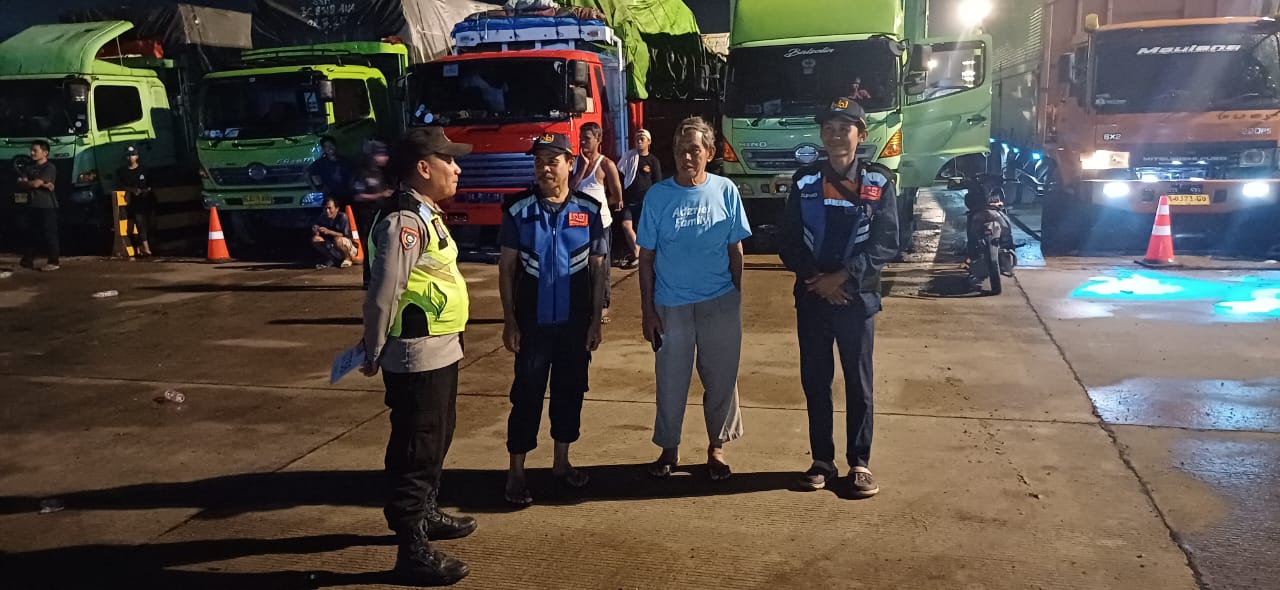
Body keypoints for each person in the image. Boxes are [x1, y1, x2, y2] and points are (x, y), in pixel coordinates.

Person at [360, 126, 475, 586]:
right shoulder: (404, 221)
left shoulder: (426, 213)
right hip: (417, 354)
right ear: (424, 168)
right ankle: (411, 549)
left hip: (439, 349)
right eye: (450, 160)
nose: (458, 168)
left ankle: (425, 512)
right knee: (416, 448)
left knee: (437, 436)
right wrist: (372, 347)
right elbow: (383, 291)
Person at [778, 97, 899, 498]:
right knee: (816, 380)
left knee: (858, 383)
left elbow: (887, 242)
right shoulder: (805, 181)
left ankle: (859, 463)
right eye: (828, 128)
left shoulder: (879, 182)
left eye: (844, 128)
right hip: (813, 295)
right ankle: (822, 461)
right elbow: (788, 240)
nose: (835, 136)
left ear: (860, 135)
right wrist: (817, 279)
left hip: (856, 298)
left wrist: (843, 277)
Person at [637, 116, 752, 481]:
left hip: (720, 302)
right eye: (679, 150)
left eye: (693, 150)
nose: (685, 157)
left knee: (721, 378)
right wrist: (648, 310)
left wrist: (734, 296)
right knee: (671, 380)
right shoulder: (658, 196)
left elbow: (736, 250)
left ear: (709, 152)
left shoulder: (725, 190)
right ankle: (669, 447)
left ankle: (717, 447)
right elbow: (646, 258)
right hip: (671, 305)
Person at [498, 132, 609, 507]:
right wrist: (510, 321)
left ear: (570, 164)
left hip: (574, 327)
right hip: (533, 327)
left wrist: (595, 320)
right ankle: (516, 473)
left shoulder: (589, 211)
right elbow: (506, 268)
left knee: (570, 392)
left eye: (552, 161)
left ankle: (561, 463)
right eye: (538, 161)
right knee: (526, 396)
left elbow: (598, 268)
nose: (544, 168)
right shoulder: (518, 211)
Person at [570, 123, 623, 322]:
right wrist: (582, 169)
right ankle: (583, 304)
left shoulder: (606, 164)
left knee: (601, 266)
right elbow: (568, 190)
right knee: (579, 266)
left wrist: (598, 207)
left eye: (587, 138)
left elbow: (617, 196)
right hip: (576, 225)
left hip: (600, 225)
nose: (582, 142)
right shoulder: (574, 163)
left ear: (598, 139)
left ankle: (602, 305)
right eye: (581, 138)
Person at [617, 129, 662, 269]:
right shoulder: (628, 157)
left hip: (645, 202)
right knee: (626, 225)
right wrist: (619, 196)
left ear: (649, 142)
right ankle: (637, 254)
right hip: (629, 201)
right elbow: (619, 177)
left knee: (644, 230)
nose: (639, 140)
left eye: (642, 138)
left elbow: (658, 183)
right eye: (637, 138)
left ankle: (649, 255)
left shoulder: (653, 161)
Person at [354, 139, 394, 289]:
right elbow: (357, 196)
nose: (385, 158)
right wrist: (380, 195)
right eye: (381, 154)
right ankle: (368, 280)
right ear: (372, 156)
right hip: (366, 216)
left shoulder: (382, 172)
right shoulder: (363, 173)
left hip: (379, 215)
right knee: (369, 247)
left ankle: (377, 279)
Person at [15, 140, 59, 271]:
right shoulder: (29, 167)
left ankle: (53, 261)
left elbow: (33, 184)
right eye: (32, 150)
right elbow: (20, 183)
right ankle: (28, 260)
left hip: (47, 205)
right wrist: (42, 184)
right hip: (31, 204)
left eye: (35, 150)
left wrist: (31, 183)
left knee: (49, 233)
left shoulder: (49, 167)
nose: (32, 153)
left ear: (45, 153)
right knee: (30, 233)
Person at [117, 145, 154, 257]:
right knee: (133, 224)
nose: (130, 157)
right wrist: (131, 190)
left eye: (133, 155)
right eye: (128, 155)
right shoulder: (121, 172)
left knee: (142, 223)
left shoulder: (144, 170)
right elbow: (120, 185)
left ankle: (144, 248)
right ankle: (142, 248)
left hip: (143, 200)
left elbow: (151, 185)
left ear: (137, 156)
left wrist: (144, 191)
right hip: (129, 201)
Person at [311, 197, 358, 268]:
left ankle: (348, 258)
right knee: (315, 239)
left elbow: (345, 235)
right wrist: (316, 231)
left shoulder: (342, 217)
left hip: (346, 245)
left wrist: (329, 232)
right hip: (331, 245)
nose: (327, 211)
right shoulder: (322, 217)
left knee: (337, 240)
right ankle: (333, 259)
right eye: (325, 208)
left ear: (336, 209)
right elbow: (317, 233)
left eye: (330, 208)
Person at [308, 136, 354, 204]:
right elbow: (308, 175)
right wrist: (317, 189)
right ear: (323, 149)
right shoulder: (319, 163)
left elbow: (353, 176)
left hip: (348, 196)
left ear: (335, 145)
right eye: (326, 146)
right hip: (331, 199)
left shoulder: (346, 161)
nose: (329, 148)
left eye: (331, 145)